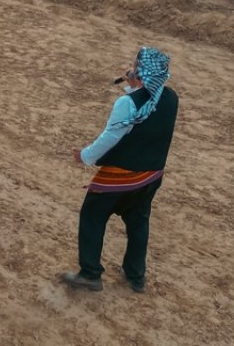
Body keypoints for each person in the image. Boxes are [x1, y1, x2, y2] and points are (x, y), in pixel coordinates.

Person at [62, 47, 179, 294]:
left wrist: (84, 156)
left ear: (142, 72)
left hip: (121, 178)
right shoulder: (171, 98)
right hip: (151, 176)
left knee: (92, 216)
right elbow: (148, 105)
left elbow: (111, 136)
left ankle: (90, 274)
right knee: (138, 222)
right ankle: (136, 275)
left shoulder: (127, 103)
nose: (132, 67)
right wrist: (136, 85)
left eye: (136, 65)